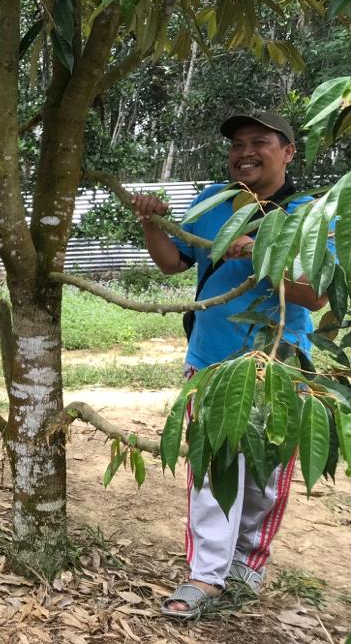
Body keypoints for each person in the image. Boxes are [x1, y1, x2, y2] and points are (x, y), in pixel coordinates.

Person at [131, 112, 328, 620]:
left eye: (259, 142)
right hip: (210, 364)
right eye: (237, 144)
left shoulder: (308, 215)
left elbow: (315, 294)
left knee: (264, 477)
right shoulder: (212, 201)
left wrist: (262, 254)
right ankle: (206, 575)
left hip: (279, 366)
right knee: (211, 470)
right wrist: (152, 222)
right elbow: (173, 262)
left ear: (288, 152)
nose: (245, 152)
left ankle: (246, 565)